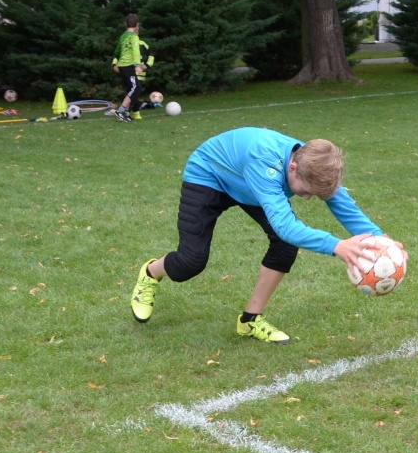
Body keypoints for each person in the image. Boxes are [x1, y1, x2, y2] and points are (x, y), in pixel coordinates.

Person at [129, 127, 402, 344]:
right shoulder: (265, 162)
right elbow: (285, 226)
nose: (307, 198)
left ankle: (250, 321)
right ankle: (151, 273)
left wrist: (383, 242)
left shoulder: (315, 165)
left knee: (284, 247)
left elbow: (345, 209)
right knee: (190, 262)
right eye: (305, 191)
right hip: (210, 175)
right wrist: (336, 245)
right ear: (292, 168)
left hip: (252, 186)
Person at [112, 14, 144, 123]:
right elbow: (136, 52)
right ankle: (121, 110)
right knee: (136, 88)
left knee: (130, 88)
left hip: (122, 66)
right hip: (128, 66)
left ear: (126, 24)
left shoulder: (123, 36)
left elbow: (117, 51)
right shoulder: (134, 37)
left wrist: (115, 63)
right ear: (137, 25)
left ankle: (125, 112)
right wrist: (138, 65)